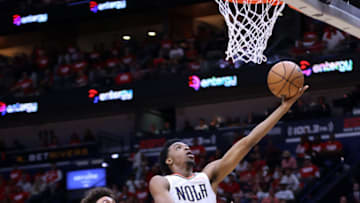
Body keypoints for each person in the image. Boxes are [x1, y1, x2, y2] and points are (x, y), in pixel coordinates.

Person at [149, 86, 309, 202]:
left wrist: (284, 107)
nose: (186, 147)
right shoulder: (161, 181)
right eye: (179, 147)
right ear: (168, 160)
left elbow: (248, 142)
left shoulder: (208, 176)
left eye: (186, 146)